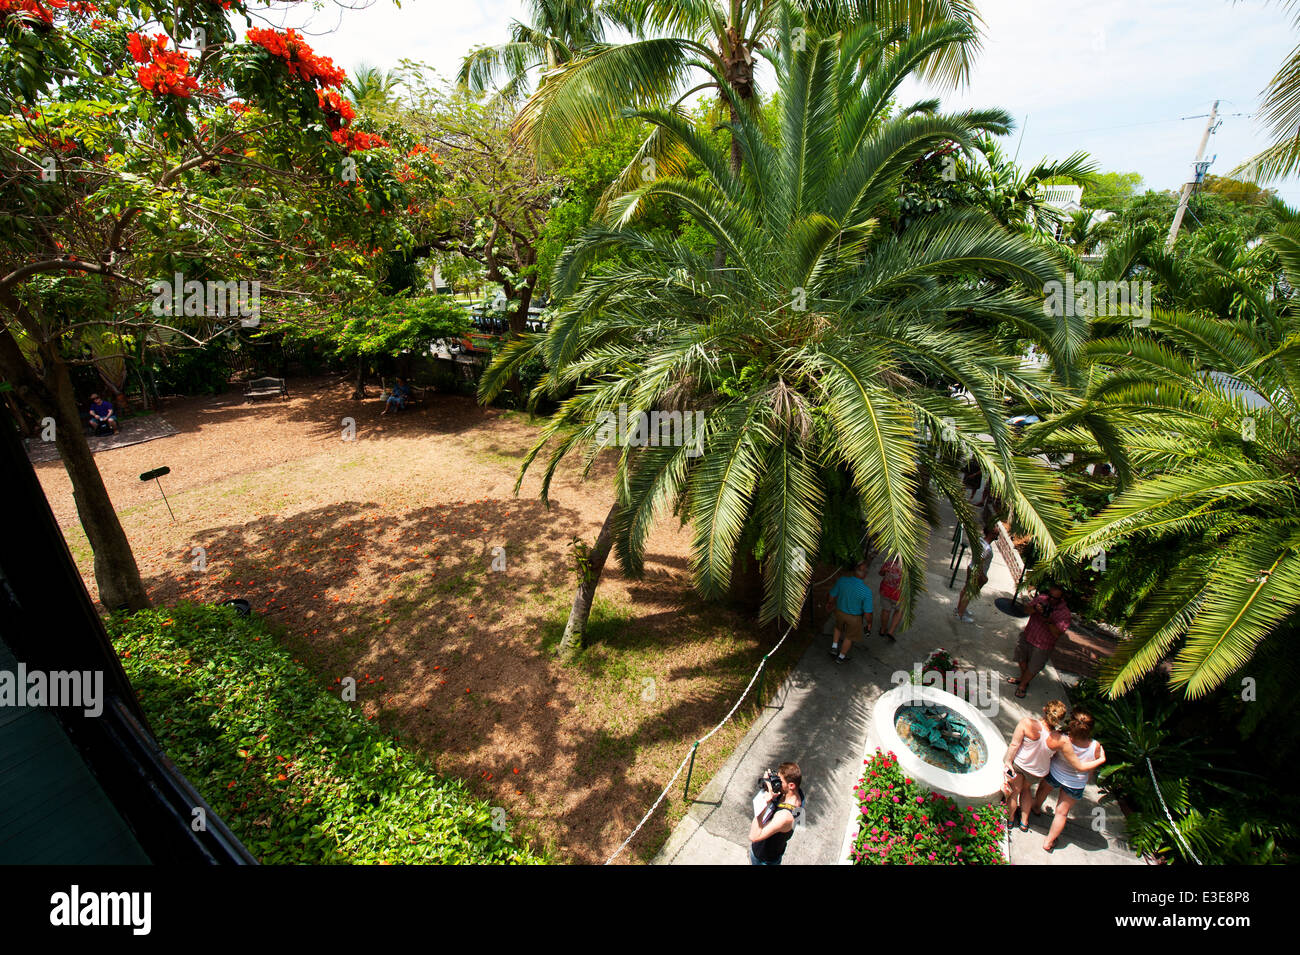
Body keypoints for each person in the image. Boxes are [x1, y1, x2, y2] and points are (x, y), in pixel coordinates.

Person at [1031, 710, 1106, 852]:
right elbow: (1093, 764)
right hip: (1075, 782)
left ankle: (1035, 807)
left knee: (1043, 790)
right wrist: (1089, 776)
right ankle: (1049, 841)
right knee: (1061, 813)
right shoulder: (1095, 746)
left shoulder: (1063, 738)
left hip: (1055, 772)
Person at [1002, 700, 1067, 831]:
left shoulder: (1027, 723)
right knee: (1026, 791)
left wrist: (1008, 761)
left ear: (1044, 710)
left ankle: (1010, 820)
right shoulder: (1059, 737)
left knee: (1015, 792)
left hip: (1021, 765)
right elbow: (1054, 756)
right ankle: (1024, 822)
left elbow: (1014, 745)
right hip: (1038, 771)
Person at [1010, 582, 1071, 698]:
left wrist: (1048, 619)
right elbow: (1026, 610)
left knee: (1033, 667)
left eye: (1055, 598)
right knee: (1020, 658)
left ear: (1061, 598)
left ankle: (1022, 685)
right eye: (1050, 595)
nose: (1051, 599)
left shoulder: (1065, 614)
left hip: (1043, 644)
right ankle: (1023, 678)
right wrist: (1034, 608)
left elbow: (1057, 633)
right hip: (1028, 635)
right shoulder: (1042, 599)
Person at [748, 762, 804, 865]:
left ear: (791, 785)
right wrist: (768, 784)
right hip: (777, 850)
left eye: (780, 781)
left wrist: (765, 803)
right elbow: (797, 824)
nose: (777, 784)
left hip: (764, 859)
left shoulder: (784, 817)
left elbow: (753, 836)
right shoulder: (799, 795)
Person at [826, 560, 873, 663]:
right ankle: (841, 657)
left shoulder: (842, 580)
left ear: (854, 571)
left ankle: (834, 647)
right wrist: (869, 623)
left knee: (838, 627)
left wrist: (830, 603)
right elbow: (868, 613)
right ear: (865, 576)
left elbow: (832, 595)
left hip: (839, 612)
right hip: (854, 618)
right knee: (849, 637)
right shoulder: (866, 591)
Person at [955, 526, 997, 623]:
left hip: (971, 567)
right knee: (969, 593)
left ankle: (959, 609)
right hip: (977, 572)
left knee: (966, 589)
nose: (997, 533)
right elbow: (980, 561)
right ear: (991, 534)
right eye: (996, 532)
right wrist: (982, 576)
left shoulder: (980, 540)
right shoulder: (987, 549)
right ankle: (961, 614)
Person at [877, 555, 903, 641]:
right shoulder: (907, 570)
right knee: (898, 611)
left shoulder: (889, 564)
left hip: (885, 592)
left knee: (886, 610)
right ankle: (891, 631)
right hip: (898, 596)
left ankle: (883, 629)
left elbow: (881, 573)